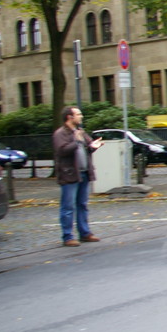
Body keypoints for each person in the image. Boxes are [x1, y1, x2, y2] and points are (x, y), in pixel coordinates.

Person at [53, 106, 103, 247]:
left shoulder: (80, 132)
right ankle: (68, 236)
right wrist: (76, 142)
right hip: (69, 174)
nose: (81, 117)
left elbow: (88, 147)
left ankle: (85, 233)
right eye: (78, 114)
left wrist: (94, 145)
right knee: (68, 206)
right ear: (70, 117)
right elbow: (62, 151)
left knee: (82, 204)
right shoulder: (60, 133)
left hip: (84, 173)